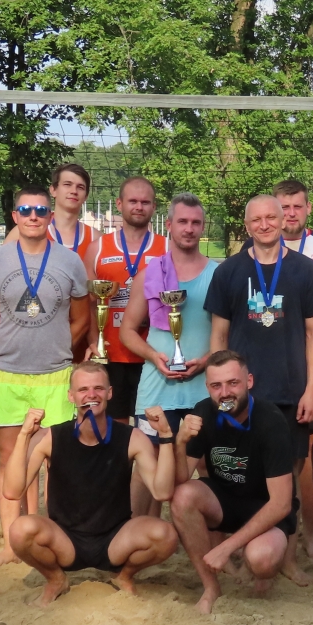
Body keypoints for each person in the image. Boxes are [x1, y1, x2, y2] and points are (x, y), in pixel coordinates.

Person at [205, 194, 313, 578]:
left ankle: (287, 559)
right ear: (247, 225)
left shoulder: (306, 270)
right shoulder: (228, 271)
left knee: (288, 476)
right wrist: (219, 390)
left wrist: (311, 390)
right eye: (256, 219)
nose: (264, 224)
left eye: (271, 217)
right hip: (241, 396)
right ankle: (238, 548)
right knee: (234, 472)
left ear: (283, 220)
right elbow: (218, 335)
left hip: (291, 392)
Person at [0, 364, 180, 605]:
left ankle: (123, 575)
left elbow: (162, 491)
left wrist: (166, 436)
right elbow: (12, 491)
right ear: (71, 396)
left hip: (116, 539)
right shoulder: (50, 437)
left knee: (166, 535)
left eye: (98, 388)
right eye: (83, 390)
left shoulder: (132, 437)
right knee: (20, 530)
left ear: (109, 393)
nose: (91, 395)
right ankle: (56, 579)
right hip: (64, 539)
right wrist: (23, 435)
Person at [0, 186, 90, 569]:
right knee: (9, 459)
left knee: (55, 461)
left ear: (50, 217)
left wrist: (54, 346)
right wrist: (16, 342)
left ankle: (54, 534)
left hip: (55, 375)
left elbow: (82, 319)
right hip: (8, 374)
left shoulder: (69, 261)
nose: (33, 216)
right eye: (25, 210)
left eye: (40, 210)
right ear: (15, 216)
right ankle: (12, 544)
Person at [171, 351, 297, 614]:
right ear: (207, 387)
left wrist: (227, 546)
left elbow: (282, 504)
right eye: (216, 386)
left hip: (265, 507)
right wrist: (180, 443)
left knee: (261, 560)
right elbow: (180, 480)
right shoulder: (203, 411)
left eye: (233, 383)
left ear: (249, 381)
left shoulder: (270, 421)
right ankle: (210, 587)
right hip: (225, 501)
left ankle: (261, 567)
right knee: (182, 496)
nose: (225, 393)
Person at [121, 193, 217, 510]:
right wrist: (154, 356)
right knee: (147, 466)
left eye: (196, 222)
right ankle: (140, 531)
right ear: (170, 225)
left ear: (203, 227)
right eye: (183, 222)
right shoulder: (150, 273)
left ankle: (205, 530)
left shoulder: (218, 274)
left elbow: (227, 334)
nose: (189, 229)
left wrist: (207, 361)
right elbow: (127, 331)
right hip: (157, 387)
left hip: (204, 388)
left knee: (208, 465)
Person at [275, 178, 313, 548]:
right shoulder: (256, 247)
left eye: (297, 206)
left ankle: (310, 532)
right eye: (283, 207)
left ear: (308, 208)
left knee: (311, 444)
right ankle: (276, 526)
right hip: (274, 358)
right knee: (271, 443)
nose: (290, 213)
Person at [91, 176, 166, 420]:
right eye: (133, 201)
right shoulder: (97, 248)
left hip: (153, 355)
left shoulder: (167, 248)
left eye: (145, 202)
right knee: (116, 429)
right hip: (110, 354)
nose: (139, 207)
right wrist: (93, 341)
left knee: (152, 427)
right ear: (119, 204)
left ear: (154, 207)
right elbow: (88, 303)